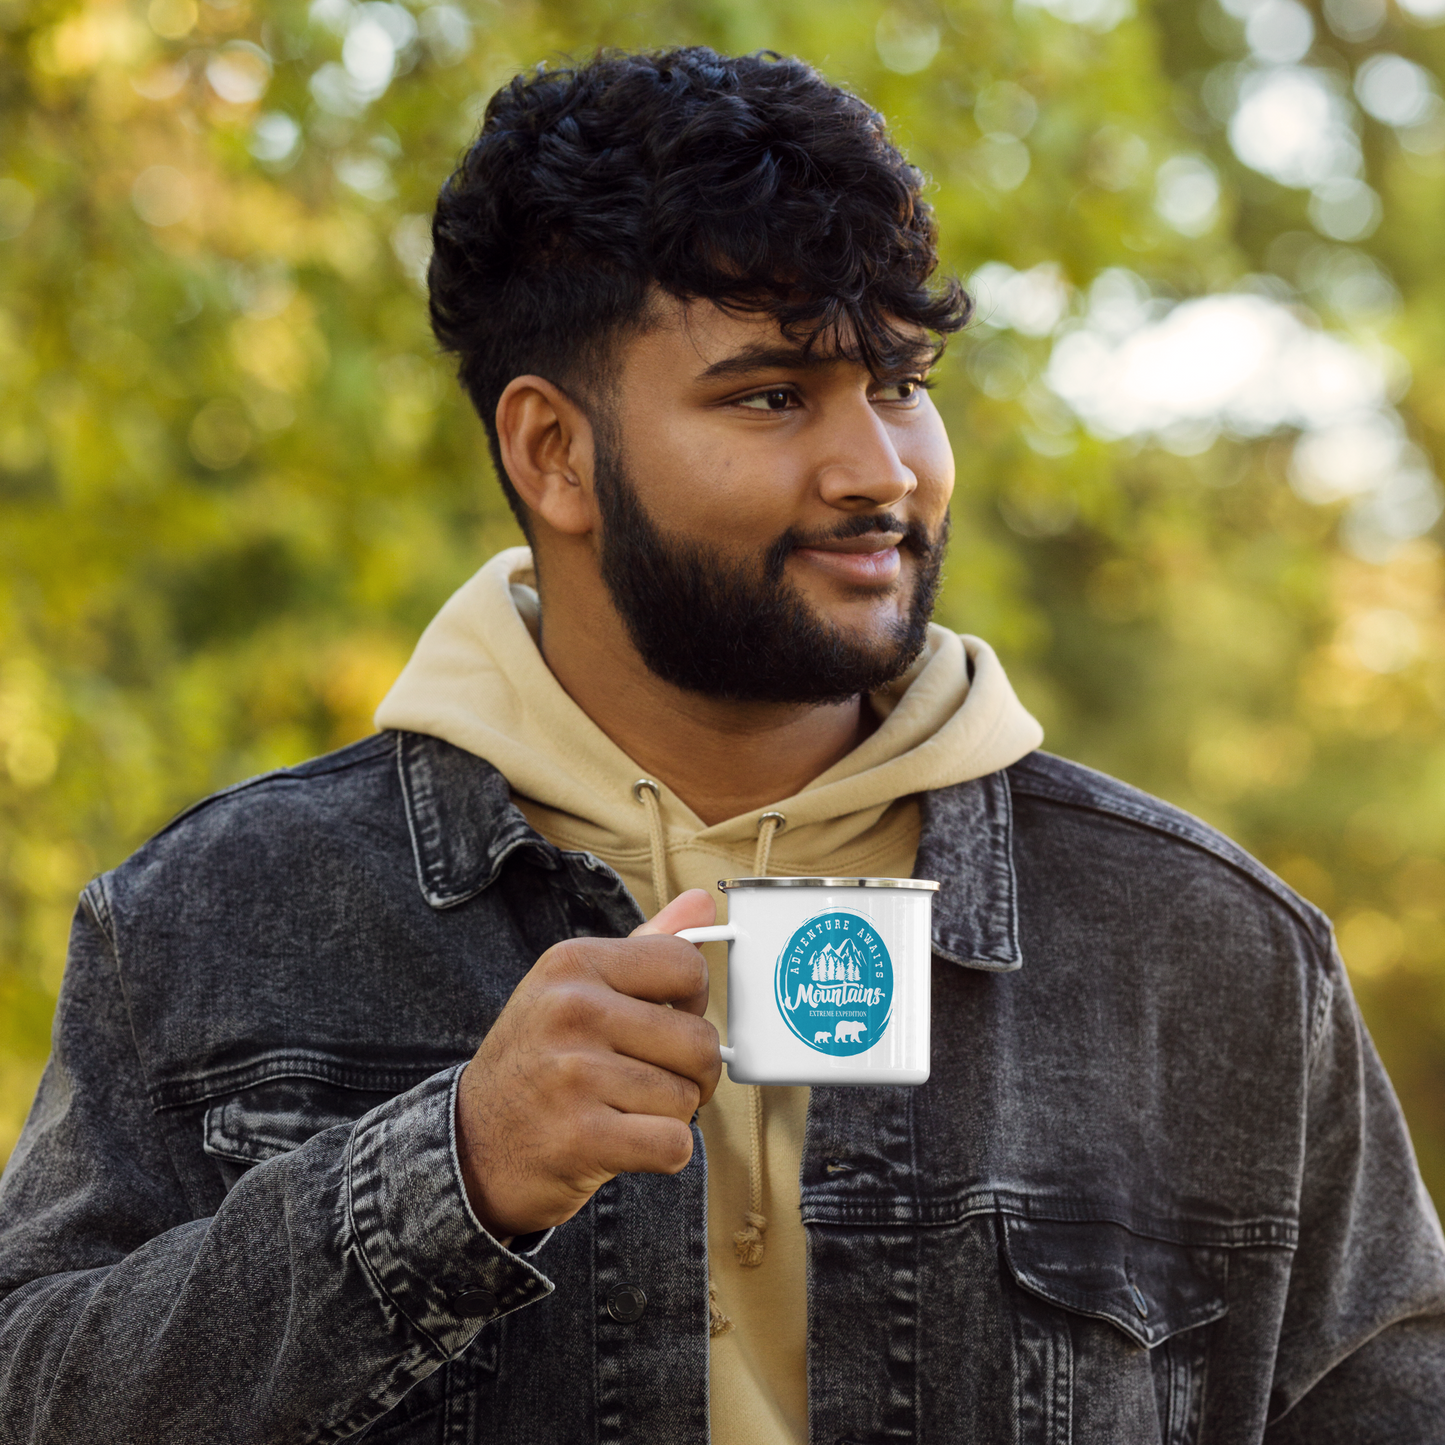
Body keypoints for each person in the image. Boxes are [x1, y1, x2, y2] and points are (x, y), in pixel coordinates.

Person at [1, 45, 1442, 1445]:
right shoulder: (208, 919)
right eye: (771, 394)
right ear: (552, 453)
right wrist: (445, 1178)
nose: (879, 471)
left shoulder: (1212, 952)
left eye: (900, 381)